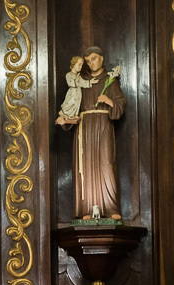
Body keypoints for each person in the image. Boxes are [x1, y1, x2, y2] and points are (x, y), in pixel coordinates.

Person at [60, 47, 126, 220]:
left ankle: (111, 208)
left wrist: (108, 100)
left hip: (104, 125)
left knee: (106, 163)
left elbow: (120, 104)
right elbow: (72, 100)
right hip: (85, 126)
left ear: (102, 59)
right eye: (88, 61)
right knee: (86, 167)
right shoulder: (80, 81)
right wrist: (65, 117)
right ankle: (86, 209)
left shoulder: (110, 80)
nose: (91, 63)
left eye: (94, 59)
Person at [56, 56, 92, 125]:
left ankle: (73, 115)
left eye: (82, 65)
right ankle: (64, 115)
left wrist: (90, 82)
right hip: (72, 94)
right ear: (74, 64)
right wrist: (82, 82)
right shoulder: (69, 75)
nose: (81, 67)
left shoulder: (78, 76)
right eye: (79, 64)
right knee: (70, 103)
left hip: (77, 94)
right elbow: (73, 83)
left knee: (76, 104)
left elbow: (83, 82)